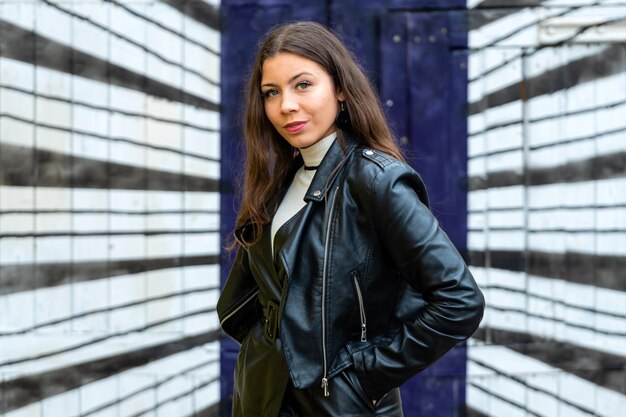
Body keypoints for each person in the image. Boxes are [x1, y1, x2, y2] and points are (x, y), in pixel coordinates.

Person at [217, 21, 485, 417]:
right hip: (262, 400)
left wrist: (364, 375)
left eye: (302, 85)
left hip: (341, 407)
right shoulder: (278, 185)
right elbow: (253, 301)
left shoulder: (375, 181)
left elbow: (460, 301)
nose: (285, 104)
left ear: (340, 89)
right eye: (271, 93)